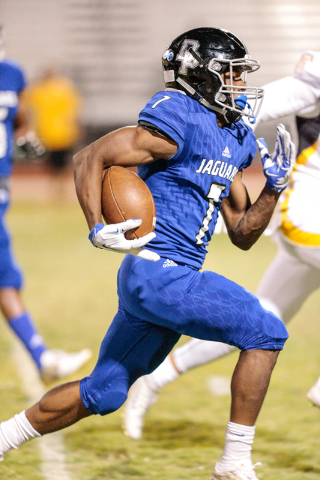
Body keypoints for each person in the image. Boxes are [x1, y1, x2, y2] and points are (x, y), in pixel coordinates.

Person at [0, 28, 295, 480]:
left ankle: (4, 438)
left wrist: (273, 188)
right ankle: (234, 461)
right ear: (201, 74)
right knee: (267, 332)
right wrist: (97, 227)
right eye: (230, 73)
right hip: (161, 272)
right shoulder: (178, 115)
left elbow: (242, 232)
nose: (238, 83)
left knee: (105, 392)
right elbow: (89, 157)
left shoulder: (234, 136)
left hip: (159, 280)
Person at [123, 49, 320, 441]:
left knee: (261, 322)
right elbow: (247, 106)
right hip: (309, 208)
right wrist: (197, 137)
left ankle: (154, 380)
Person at [0, 26, 92, 381]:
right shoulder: (12, 73)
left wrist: (23, 135)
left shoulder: (13, 74)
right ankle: (43, 358)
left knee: (6, 281)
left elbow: (19, 116)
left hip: (3, 195)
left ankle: (42, 358)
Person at [21, 64, 82, 199]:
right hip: (48, 134)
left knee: (60, 166)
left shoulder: (62, 89)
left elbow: (74, 112)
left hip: (61, 134)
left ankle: (59, 191)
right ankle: (56, 191)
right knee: (53, 166)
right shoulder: (40, 90)